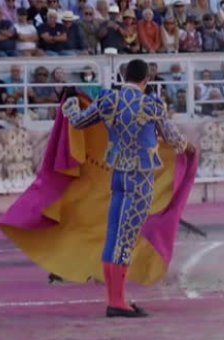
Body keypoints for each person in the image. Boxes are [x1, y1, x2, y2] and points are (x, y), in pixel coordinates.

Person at [60, 59, 195, 317]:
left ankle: (116, 299)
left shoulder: (109, 101)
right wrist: (188, 147)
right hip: (141, 179)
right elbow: (172, 138)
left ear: (124, 77)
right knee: (125, 239)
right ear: (146, 80)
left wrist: (72, 102)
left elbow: (77, 122)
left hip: (118, 176)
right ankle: (117, 302)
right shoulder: (151, 104)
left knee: (114, 236)